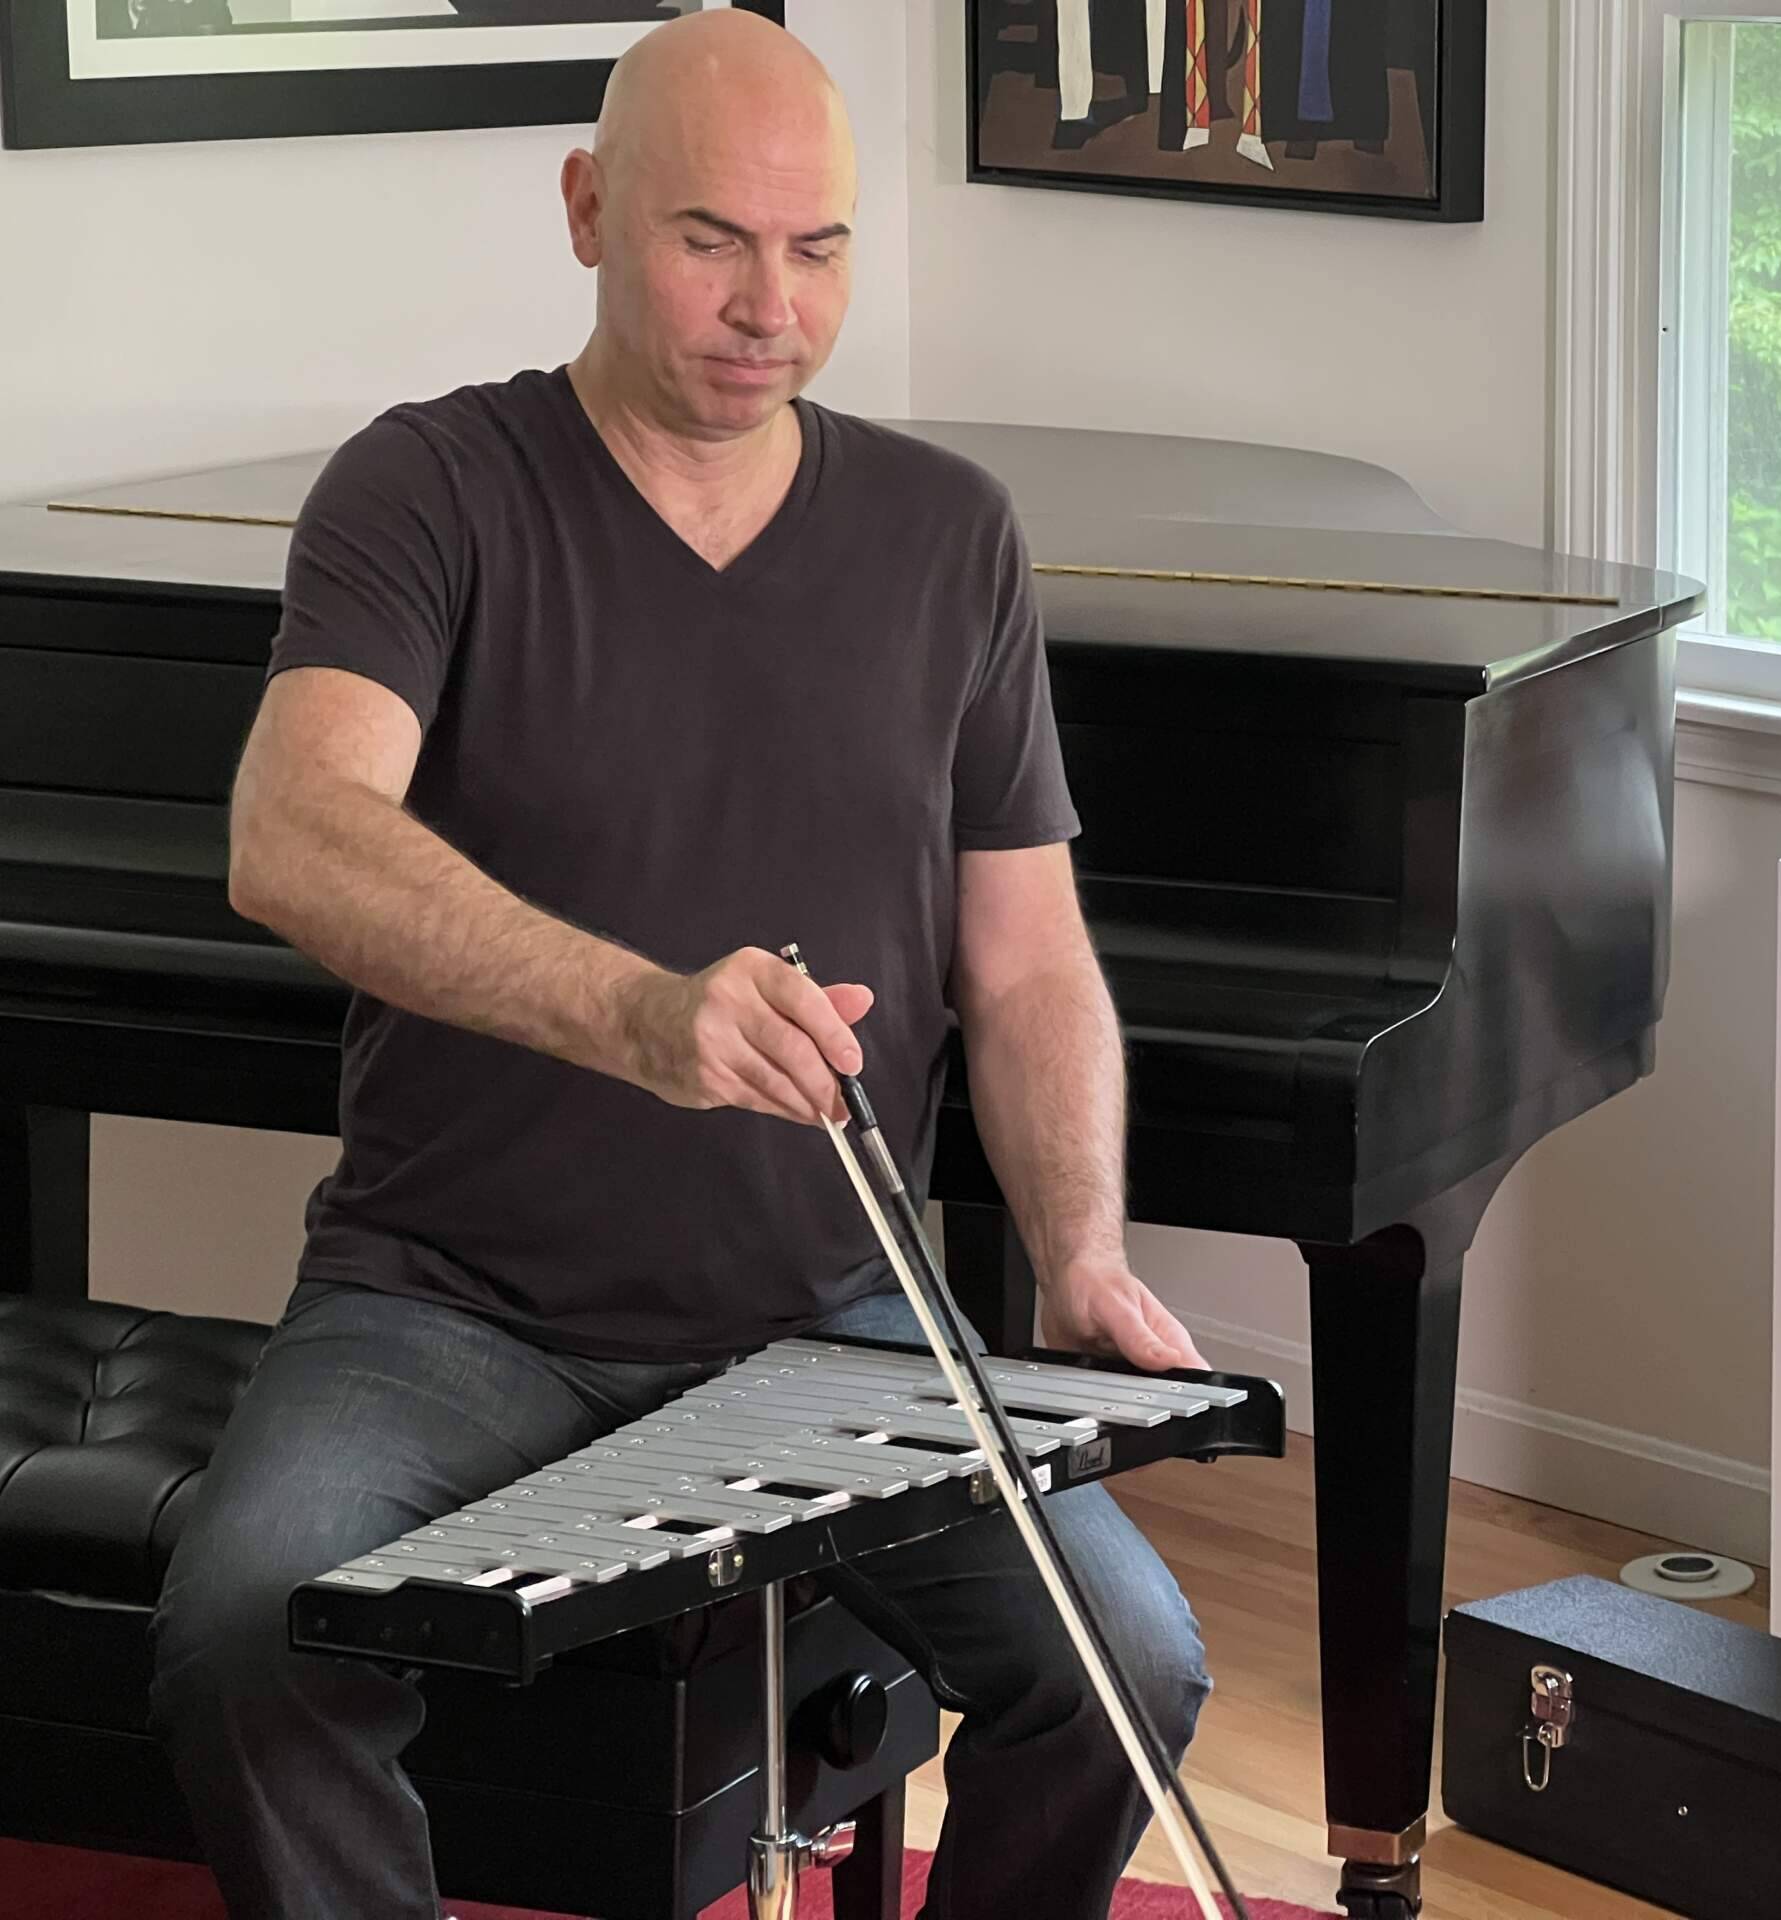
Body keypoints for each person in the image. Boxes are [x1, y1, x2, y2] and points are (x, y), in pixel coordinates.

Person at [147, 14, 1212, 1919]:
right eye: (711, 239)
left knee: (1128, 1671)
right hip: (447, 1302)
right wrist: (642, 1013)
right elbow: (290, 835)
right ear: (587, 210)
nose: (770, 309)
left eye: (820, 251)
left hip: (836, 1313)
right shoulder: (425, 492)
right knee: (245, 1625)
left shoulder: (949, 535)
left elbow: (1031, 955)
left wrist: (1080, 1253)